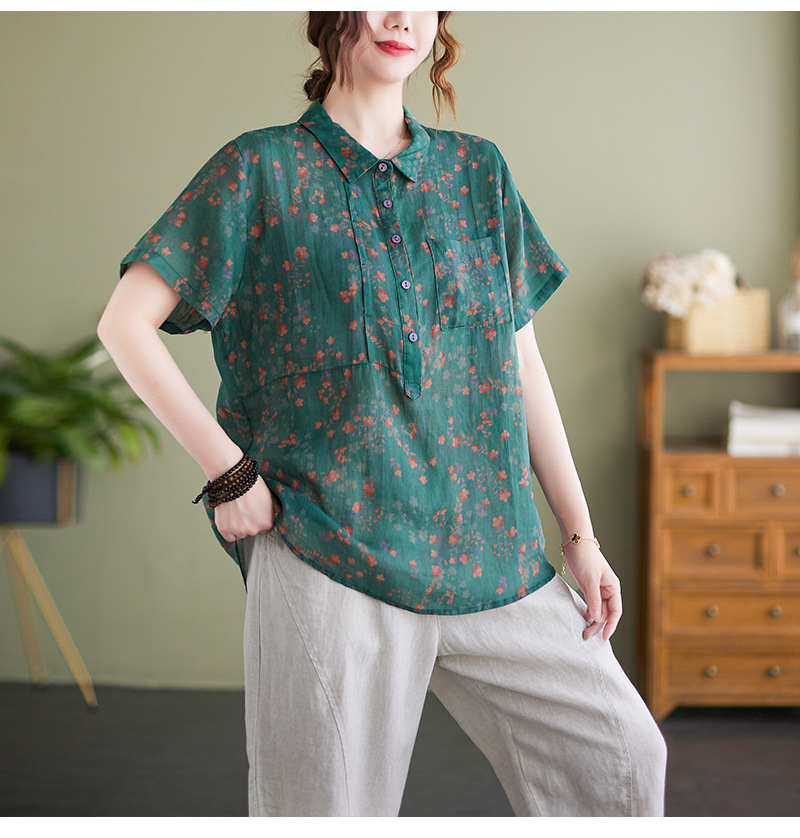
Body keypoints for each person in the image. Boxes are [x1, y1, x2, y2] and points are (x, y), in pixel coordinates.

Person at [98, 10, 667, 817]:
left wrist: (580, 536)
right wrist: (228, 474)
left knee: (623, 758)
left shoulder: (478, 171)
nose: (403, 17)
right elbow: (124, 325)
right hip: (329, 546)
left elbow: (521, 365)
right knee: (324, 811)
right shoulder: (259, 169)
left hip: (491, 548)